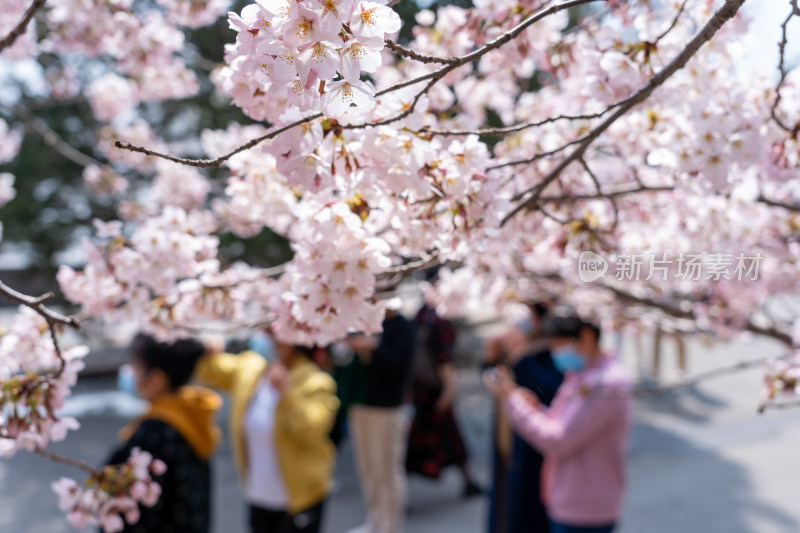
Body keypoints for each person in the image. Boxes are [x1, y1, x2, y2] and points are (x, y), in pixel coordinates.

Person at [484, 315, 632, 533]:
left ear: (586, 337)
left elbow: (558, 439)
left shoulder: (604, 384)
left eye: (558, 346)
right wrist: (534, 407)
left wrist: (512, 400)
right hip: (576, 500)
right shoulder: (584, 376)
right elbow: (565, 423)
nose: (556, 354)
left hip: (584, 507)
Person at [194, 333, 339, 533]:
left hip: (299, 497)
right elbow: (210, 371)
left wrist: (286, 394)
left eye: (275, 334)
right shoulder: (252, 369)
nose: (269, 339)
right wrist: (208, 351)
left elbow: (311, 430)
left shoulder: (315, 380)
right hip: (258, 492)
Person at [109, 333, 222, 533]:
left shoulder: (154, 433)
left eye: (135, 366)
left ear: (156, 379)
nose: (130, 372)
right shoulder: (190, 414)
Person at [346, 298, 416, 533]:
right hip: (361, 403)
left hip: (387, 408)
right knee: (367, 469)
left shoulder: (403, 327)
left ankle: (390, 526)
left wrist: (373, 347)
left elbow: (400, 365)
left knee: (387, 471)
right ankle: (375, 521)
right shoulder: (363, 321)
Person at [405, 302, 481, 497]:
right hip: (435, 388)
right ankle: (396, 491)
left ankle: (468, 480)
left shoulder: (423, 314)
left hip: (423, 387)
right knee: (428, 438)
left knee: (424, 438)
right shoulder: (437, 318)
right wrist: (449, 390)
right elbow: (443, 357)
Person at [506, 304, 564, 533]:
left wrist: (523, 358)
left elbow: (547, 389)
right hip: (523, 444)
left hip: (544, 442)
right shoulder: (521, 350)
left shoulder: (552, 353)